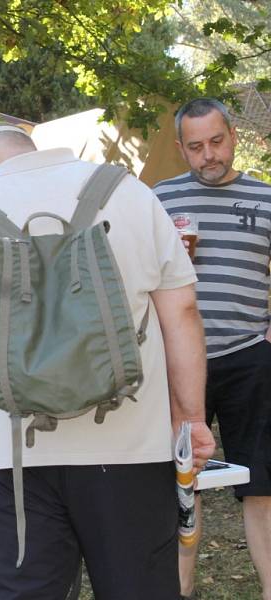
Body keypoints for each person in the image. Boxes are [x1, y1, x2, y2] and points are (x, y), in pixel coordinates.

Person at [0, 122, 215, 599]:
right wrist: (190, 418)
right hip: (132, 451)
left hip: (13, 460)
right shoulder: (129, 192)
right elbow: (183, 314)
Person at [155, 97, 271, 600]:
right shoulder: (157, 200)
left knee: (262, 486)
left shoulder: (266, 199)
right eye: (196, 147)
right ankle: (179, 590)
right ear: (181, 148)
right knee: (183, 483)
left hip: (250, 357)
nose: (209, 155)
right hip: (178, 362)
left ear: (234, 138)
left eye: (217, 142)